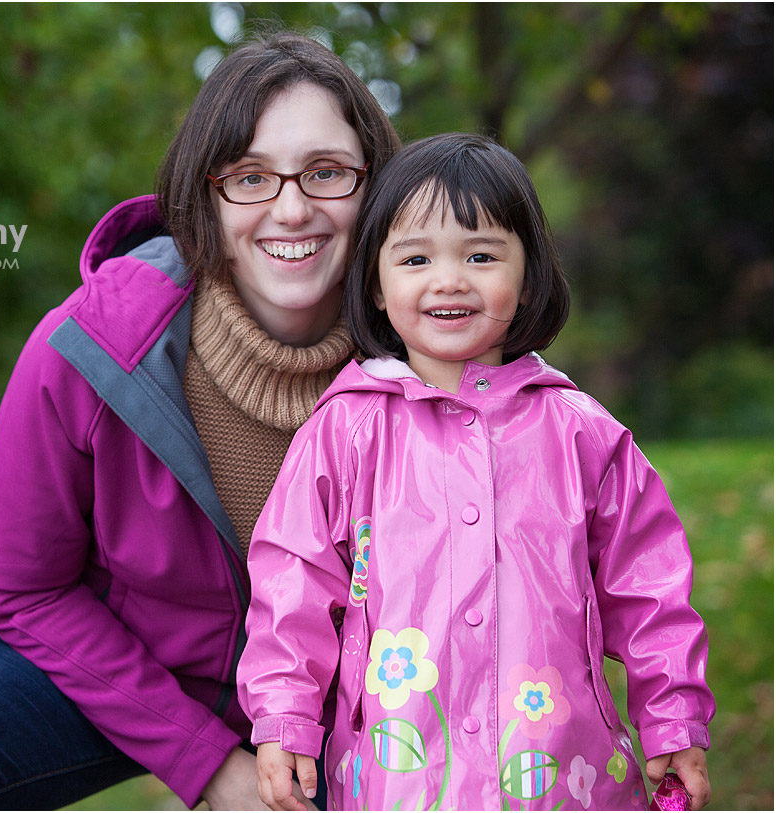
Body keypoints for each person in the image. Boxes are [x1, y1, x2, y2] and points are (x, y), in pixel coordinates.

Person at [0, 30, 400, 810]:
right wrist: (205, 761)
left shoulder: (428, 359)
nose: (292, 208)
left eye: (327, 172)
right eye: (250, 177)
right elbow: (21, 588)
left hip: (344, 690)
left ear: (377, 187)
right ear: (206, 196)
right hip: (123, 663)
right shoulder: (94, 345)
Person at [237, 132, 714, 812]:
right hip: (397, 778)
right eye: (416, 257)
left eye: (482, 254)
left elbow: (650, 588)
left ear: (527, 278)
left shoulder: (579, 430)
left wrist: (673, 715)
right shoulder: (346, 430)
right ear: (374, 282)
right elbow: (294, 580)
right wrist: (283, 715)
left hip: (561, 773)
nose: (449, 278)